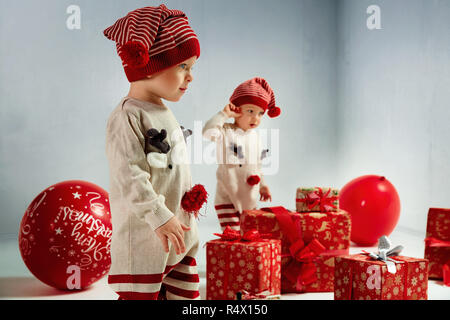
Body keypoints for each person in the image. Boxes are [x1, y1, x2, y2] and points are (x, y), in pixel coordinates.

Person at [103, 4, 205, 300]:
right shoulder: (128, 116)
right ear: (147, 65)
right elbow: (130, 175)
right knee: (142, 292)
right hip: (148, 233)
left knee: (183, 294)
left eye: (192, 68)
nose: (190, 76)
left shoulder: (163, 110)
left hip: (180, 230)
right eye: (182, 66)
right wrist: (158, 214)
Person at [202, 77, 280, 231]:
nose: (255, 118)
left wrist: (263, 185)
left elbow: (257, 166)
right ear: (236, 109)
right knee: (232, 238)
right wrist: (224, 114)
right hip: (227, 198)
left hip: (249, 199)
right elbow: (207, 132)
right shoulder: (225, 131)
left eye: (260, 113)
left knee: (249, 238)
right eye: (250, 111)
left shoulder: (255, 137)